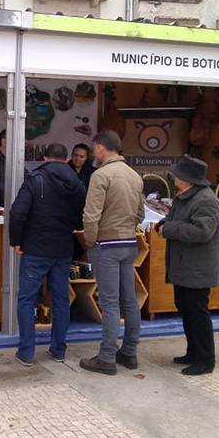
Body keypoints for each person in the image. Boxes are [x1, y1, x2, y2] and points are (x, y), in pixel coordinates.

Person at [8, 143, 87, 367]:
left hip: (35, 249)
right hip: (63, 249)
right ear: (66, 159)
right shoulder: (77, 184)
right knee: (61, 300)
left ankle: (26, 353)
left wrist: (16, 241)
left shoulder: (35, 180)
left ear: (45, 158)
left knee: (26, 300)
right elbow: (82, 217)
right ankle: (59, 350)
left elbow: (17, 213)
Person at [78, 130, 144, 376]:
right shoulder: (134, 176)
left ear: (99, 148)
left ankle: (106, 357)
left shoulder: (101, 175)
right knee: (129, 301)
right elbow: (140, 214)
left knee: (109, 303)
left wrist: (90, 241)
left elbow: (91, 214)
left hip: (106, 244)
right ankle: (129, 352)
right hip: (129, 243)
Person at [155, 155, 219, 376]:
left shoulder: (206, 200)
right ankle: (193, 352)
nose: (173, 177)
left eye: (177, 174)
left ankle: (205, 360)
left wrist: (170, 229)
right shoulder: (186, 197)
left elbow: (202, 232)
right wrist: (164, 224)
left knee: (197, 312)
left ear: (187, 179)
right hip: (185, 267)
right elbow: (177, 221)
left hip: (197, 269)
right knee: (186, 309)